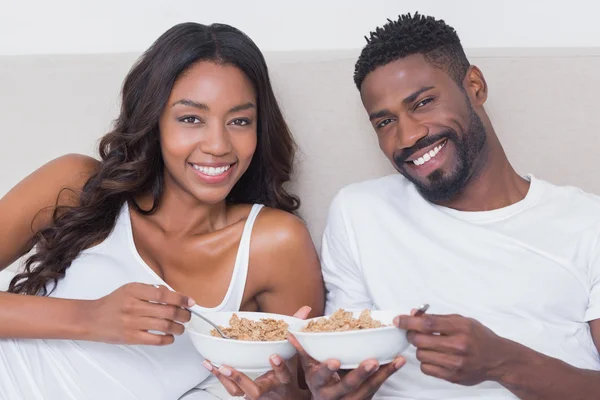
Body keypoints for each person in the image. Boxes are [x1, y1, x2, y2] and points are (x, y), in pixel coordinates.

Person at [0, 22, 325, 400]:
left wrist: (276, 392)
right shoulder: (76, 184)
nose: (219, 145)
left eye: (239, 121)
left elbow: (302, 388)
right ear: (153, 121)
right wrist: (90, 317)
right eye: (191, 118)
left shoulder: (274, 244)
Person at [317, 12, 600, 399]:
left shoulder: (587, 223)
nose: (408, 136)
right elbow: (343, 363)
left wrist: (504, 362)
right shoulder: (358, 213)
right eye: (384, 122)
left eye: (423, 102)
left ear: (475, 86)